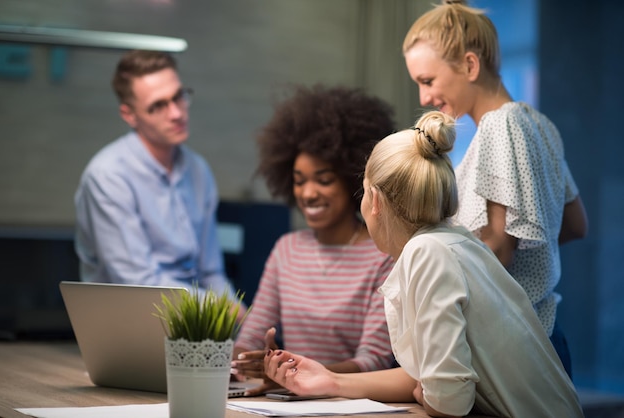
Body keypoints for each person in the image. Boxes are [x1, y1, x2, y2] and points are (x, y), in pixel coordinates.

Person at [264, 110, 583, 418]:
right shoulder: (452, 241)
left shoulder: (426, 253)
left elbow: (448, 401)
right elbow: (421, 377)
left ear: (375, 201)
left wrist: (429, 392)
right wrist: (329, 380)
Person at [401, 0, 588, 377]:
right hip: (547, 335)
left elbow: (499, 248)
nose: (423, 99)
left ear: (470, 65)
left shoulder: (498, 127)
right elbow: (574, 225)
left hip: (518, 346)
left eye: (428, 81)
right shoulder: (540, 125)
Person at [230, 84, 397, 395]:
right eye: (298, 181)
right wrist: (243, 362)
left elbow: (374, 360)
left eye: (323, 180)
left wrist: (293, 372)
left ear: (352, 180)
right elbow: (252, 337)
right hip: (286, 402)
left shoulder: (383, 254)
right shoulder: (287, 249)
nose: (308, 193)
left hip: (350, 405)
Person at [74, 50, 240, 304]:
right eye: (158, 106)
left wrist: (242, 317)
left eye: (178, 97)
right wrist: (219, 308)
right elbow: (138, 284)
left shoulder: (198, 169)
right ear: (129, 115)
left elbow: (211, 272)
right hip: (129, 320)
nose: (176, 113)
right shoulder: (108, 176)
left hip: (194, 320)